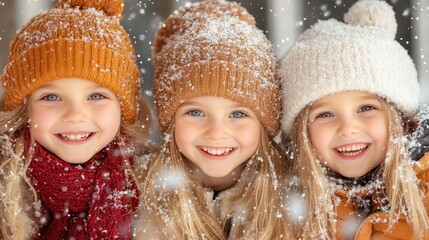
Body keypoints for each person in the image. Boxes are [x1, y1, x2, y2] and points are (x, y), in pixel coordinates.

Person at [133, 0, 295, 239]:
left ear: (264, 124)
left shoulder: (292, 196)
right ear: (170, 121)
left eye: (237, 114)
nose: (216, 132)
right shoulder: (138, 195)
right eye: (196, 112)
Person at [0, 0, 152, 239]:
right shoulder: (6, 194)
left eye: (96, 95)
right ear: (23, 109)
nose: (75, 115)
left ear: (123, 108)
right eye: (51, 96)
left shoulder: (154, 192)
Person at [280, 0, 429, 238]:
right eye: (325, 114)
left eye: (366, 108)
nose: (348, 128)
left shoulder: (424, 187)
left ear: (399, 117)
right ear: (301, 132)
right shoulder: (294, 205)